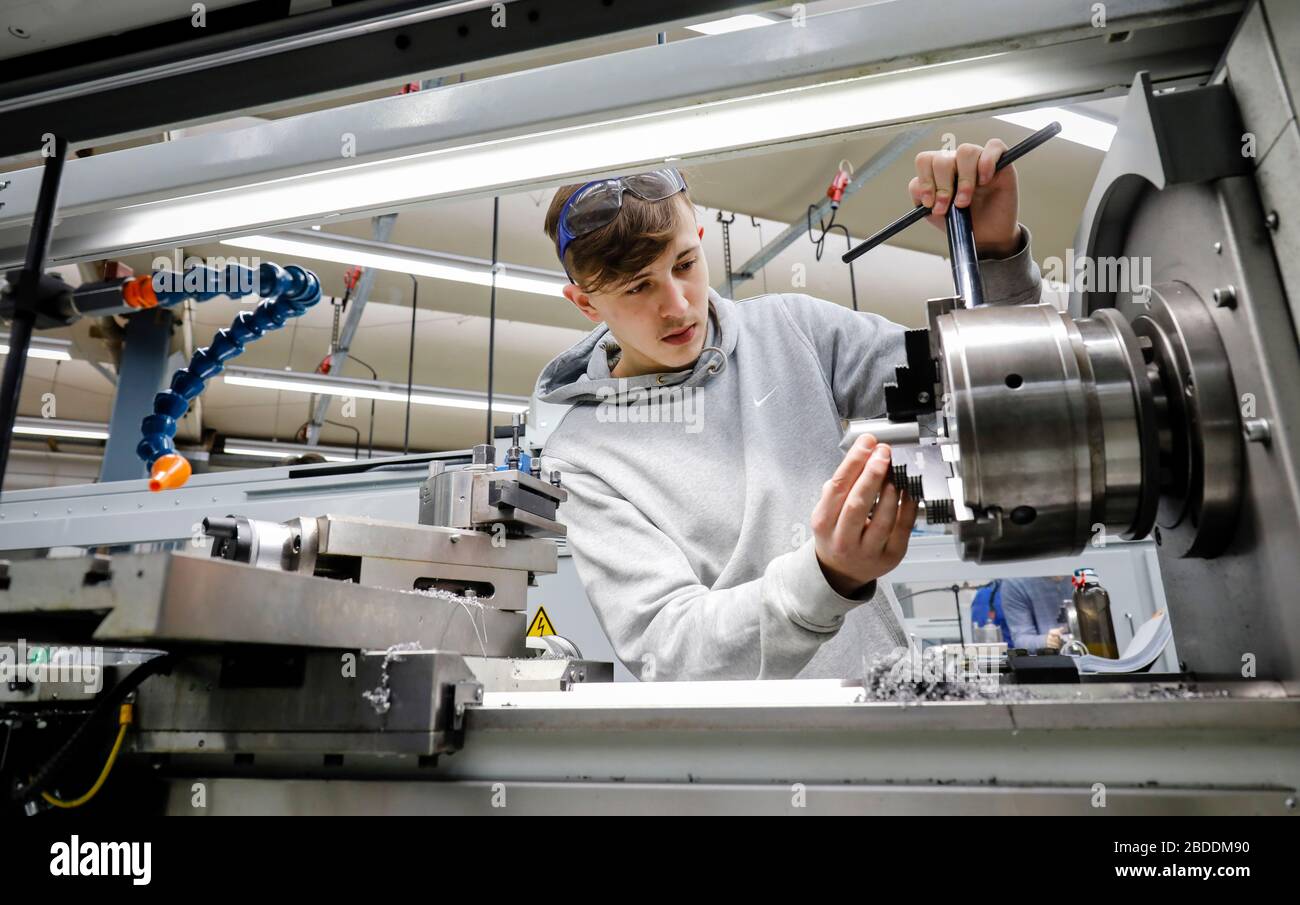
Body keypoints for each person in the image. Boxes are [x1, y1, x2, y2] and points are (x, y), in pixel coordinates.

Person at [533, 141, 1042, 681]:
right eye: (638, 287)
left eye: (684, 264)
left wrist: (992, 257)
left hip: (884, 703)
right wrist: (826, 577)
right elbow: (670, 649)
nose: (678, 305)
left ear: (701, 241)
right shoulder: (583, 455)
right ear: (586, 303)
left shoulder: (791, 330)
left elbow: (990, 388)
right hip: (753, 748)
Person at [1000, 575, 1075, 652]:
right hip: (1049, 658)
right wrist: (1046, 641)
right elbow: (1021, 639)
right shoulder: (1015, 583)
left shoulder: (1081, 573)